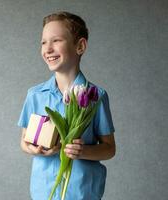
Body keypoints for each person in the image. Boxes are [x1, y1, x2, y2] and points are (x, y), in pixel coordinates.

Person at [17, 11, 116, 200]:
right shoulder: (35, 95)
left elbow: (109, 148)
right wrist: (33, 149)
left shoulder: (96, 96)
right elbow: (24, 141)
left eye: (56, 40)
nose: (48, 48)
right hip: (44, 190)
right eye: (43, 42)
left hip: (81, 192)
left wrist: (83, 151)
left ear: (80, 46)